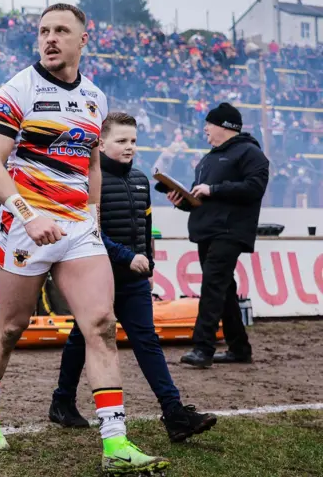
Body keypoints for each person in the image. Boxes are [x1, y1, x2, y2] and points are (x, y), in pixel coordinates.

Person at [0, 4, 168, 474]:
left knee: (100, 324)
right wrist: (28, 213)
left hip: (79, 228)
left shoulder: (96, 98)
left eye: (62, 31)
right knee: (12, 327)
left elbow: (93, 165)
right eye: (44, 31)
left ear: (84, 39)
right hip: (25, 225)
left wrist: (94, 218)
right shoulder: (16, 90)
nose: (50, 38)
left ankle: (116, 441)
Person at [50, 112, 217, 442]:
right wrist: (129, 258)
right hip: (96, 276)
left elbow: (144, 230)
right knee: (81, 338)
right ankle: (62, 401)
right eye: (122, 141)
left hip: (134, 280)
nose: (130, 147)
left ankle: (174, 414)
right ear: (101, 142)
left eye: (134, 141)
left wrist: (149, 266)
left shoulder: (141, 180)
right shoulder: (87, 180)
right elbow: (89, 230)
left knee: (147, 342)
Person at [170, 103, 269, 368]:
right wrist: (181, 200)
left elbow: (254, 188)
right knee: (223, 288)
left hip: (230, 230)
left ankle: (203, 348)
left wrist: (213, 189)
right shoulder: (207, 159)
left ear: (225, 126)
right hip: (207, 230)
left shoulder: (251, 153)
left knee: (213, 286)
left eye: (209, 124)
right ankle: (239, 348)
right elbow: (197, 196)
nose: (204, 129)